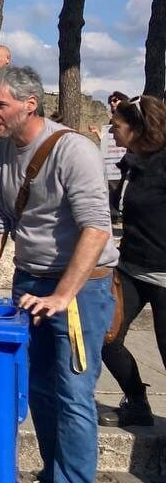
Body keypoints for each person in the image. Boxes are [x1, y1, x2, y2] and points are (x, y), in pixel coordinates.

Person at [0, 65, 117, 483]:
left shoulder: (73, 150)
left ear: (30, 104)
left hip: (79, 288)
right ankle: (55, 472)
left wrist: (63, 295)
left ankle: (73, 479)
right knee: (36, 387)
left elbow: (96, 228)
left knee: (72, 392)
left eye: (0, 104)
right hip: (29, 282)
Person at [99, 95, 166, 427]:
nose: (112, 133)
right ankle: (137, 401)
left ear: (138, 128)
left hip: (165, 274)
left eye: (117, 126)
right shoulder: (130, 162)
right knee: (104, 335)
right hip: (131, 269)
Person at [89, 92, 129, 224]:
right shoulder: (111, 122)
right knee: (113, 188)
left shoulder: (130, 118)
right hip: (115, 161)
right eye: (110, 101)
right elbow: (110, 142)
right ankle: (114, 214)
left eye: (115, 100)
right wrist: (98, 134)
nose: (112, 103)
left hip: (128, 159)